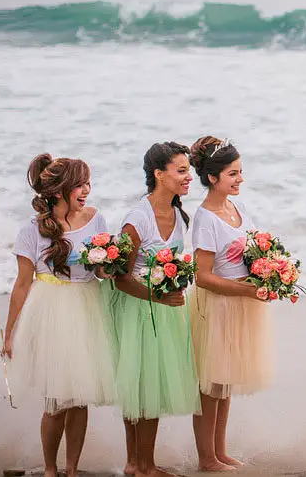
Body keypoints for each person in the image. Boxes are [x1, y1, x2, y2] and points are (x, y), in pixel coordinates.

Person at [3, 154, 116, 477]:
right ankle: (50, 469)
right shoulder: (32, 231)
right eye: (78, 185)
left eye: (87, 183)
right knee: (56, 399)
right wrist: (10, 333)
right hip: (51, 311)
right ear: (57, 191)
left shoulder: (95, 219)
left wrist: (108, 268)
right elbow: (22, 285)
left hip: (87, 308)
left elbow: (99, 269)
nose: (86, 190)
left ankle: (71, 470)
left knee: (80, 397)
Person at [103, 142, 201, 477]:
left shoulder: (178, 215)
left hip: (161, 307)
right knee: (146, 384)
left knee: (145, 384)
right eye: (181, 170)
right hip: (137, 308)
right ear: (159, 174)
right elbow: (119, 279)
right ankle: (144, 465)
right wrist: (160, 298)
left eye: (188, 169)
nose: (188, 176)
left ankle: (136, 463)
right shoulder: (137, 219)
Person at [189, 136, 276, 472]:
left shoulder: (239, 208)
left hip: (242, 303)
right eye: (233, 174)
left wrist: (269, 269)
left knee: (225, 384)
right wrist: (246, 291)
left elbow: (253, 249)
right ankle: (205, 458)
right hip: (219, 306)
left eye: (241, 172)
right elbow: (203, 276)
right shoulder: (205, 217)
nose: (240, 179)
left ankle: (220, 451)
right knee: (211, 386)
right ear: (213, 177)